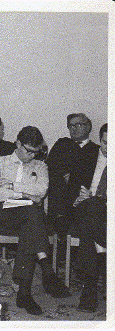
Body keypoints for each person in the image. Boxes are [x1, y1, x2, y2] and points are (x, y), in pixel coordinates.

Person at [0, 126, 71, 316]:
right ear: (18, 144)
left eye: (36, 151)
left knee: (31, 220)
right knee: (33, 212)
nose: (32, 156)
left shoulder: (41, 166)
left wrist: (12, 186)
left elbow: (41, 191)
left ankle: (24, 292)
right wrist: (24, 192)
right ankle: (46, 266)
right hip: (5, 213)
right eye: (28, 150)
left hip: (29, 218)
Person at [46, 113, 100, 236]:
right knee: (56, 182)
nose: (73, 128)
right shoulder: (62, 144)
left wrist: (73, 177)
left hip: (81, 197)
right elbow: (50, 167)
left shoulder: (96, 150)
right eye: (70, 126)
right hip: (61, 195)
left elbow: (92, 176)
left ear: (88, 127)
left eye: (78, 124)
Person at [73, 123, 107, 313]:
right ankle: (103, 248)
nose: (107, 149)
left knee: (88, 223)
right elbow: (72, 186)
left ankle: (90, 286)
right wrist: (79, 194)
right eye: (104, 143)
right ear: (99, 139)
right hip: (85, 206)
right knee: (91, 208)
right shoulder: (88, 156)